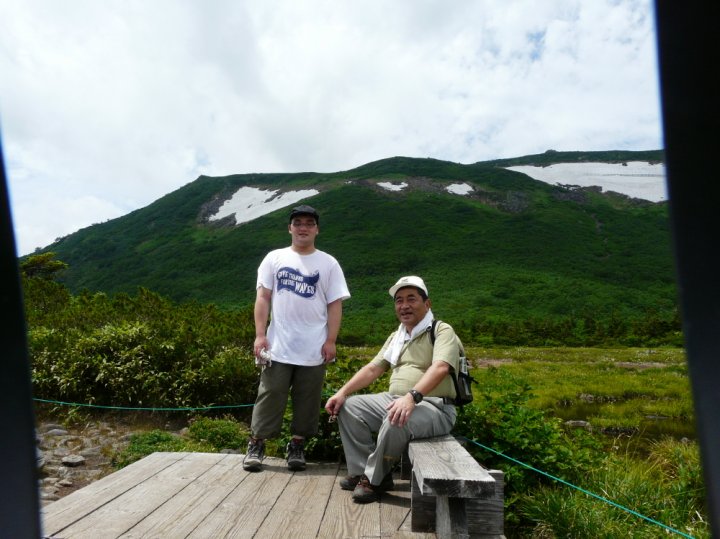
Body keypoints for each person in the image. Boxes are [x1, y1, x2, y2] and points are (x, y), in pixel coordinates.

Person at [325, 275, 460, 503]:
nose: (404, 305)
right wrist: (342, 392)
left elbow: (441, 368)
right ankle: (362, 472)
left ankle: (374, 480)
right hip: (396, 399)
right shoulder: (397, 336)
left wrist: (412, 397)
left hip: (435, 407)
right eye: (399, 300)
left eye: (411, 299)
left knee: (396, 416)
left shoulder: (441, 330)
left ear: (427, 304)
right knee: (349, 407)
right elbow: (372, 369)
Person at [243, 205, 350, 472]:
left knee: (308, 399)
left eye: (309, 223)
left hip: (314, 346)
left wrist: (331, 340)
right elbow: (263, 297)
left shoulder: (329, 263)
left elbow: (335, 304)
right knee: (270, 394)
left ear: (317, 229)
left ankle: (297, 447)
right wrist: (259, 335)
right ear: (290, 228)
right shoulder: (274, 258)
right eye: (298, 223)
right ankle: (256, 444)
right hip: (278, 344)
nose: (303, 227)